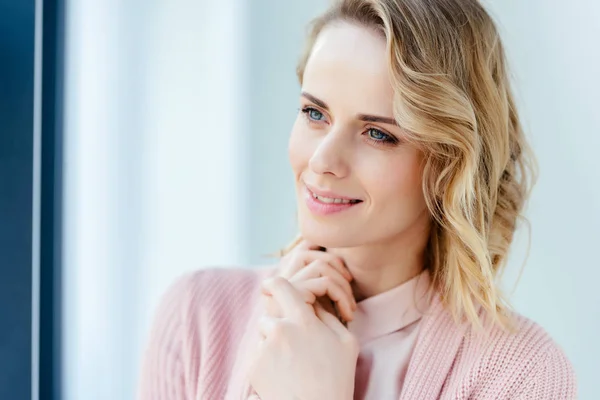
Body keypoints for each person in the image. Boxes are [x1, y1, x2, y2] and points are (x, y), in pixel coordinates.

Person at [138, 0, 577, 399]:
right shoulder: (196, 317)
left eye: (378, 133)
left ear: (449, 165)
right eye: (315, 113)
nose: (323, 160)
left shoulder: (521, 375)